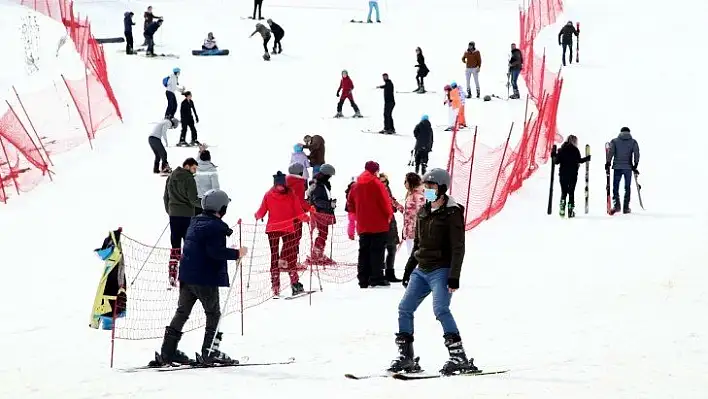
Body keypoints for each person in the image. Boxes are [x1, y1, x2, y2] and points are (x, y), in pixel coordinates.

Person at [389, 168, 477, 376]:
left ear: (443, 188)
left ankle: (459, 357)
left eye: (432, 187)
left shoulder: (452, 213)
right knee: (404, 308)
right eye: (425, 186)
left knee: (440, 309)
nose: (427, 190)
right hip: (422, 269)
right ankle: (406, 357)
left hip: (441, 269)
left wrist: (454, 275)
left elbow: (458, 247)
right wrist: (410, 267)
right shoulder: (423, 212)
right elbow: (418, 243)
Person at [153, 189, 246, 366]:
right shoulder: (216, 227)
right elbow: (214, 252)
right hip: (205, 278)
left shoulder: (195, 221)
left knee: (182, 312)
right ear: (221, 207)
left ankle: (168, 351)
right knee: (213, 314)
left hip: (187, 276)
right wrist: (236, 253)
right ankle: (210, 351)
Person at [255, 172, 308, 297]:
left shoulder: (268, 194)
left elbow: (261, 211)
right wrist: (306, 218)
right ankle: (294, 282)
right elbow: (299, 211)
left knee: (274, 256)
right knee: (290, 256)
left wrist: (258, 216)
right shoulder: (291, 194)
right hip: (288, 228)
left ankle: (275, 285)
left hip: (272, 230)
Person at [347, 161, 392, 288]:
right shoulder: (377, 184)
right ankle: (376, 277)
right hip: (379, 223)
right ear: (376, 171)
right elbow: (385, 202)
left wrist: (357, 215)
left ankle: (363, 278)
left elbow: (350, 203)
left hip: (363, 223)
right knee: (377, 251)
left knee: (364, 251)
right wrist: (388, 215)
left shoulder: (355, 186)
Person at [163, 158, 201, 287]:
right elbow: (193, 200)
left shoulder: (171, 176)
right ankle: (185, 275)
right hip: (186, 215)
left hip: (173, 215)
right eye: (194, 168)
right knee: (188, 245)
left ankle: (172, 273)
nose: (195, 171)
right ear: (187, 166)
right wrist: (207, 204)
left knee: (175, 244)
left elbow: (165, 196)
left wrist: (170, 210)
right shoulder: (189, 179)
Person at [553, 135, 590, 218]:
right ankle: (570, 211)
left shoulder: (561, 150)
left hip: (563, 174)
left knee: (564, 192)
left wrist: (554, 155)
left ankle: (562, 209)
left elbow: (556, 162)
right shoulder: (575, 150)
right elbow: (579, 160)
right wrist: (587, 158)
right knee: (571, 193)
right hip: (573, 175)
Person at [605, 127, 640, 214]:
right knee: (627, 187)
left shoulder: (614, 141)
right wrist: (635, 164)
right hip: (628, 167)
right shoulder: (633, 142)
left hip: (617, 167)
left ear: (621, 132)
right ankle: (626, 207)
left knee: (615, 187)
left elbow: (611, 152)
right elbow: (636, 153)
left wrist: (608, 162)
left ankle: (617, 205)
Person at [308, 164, 337, 264]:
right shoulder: (318, 185)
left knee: (323, 233)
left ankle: (318, 253)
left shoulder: (322, 184)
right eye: (329, 175)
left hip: (323, 212)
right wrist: (329, 204)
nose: (330, 177)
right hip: (320, 213)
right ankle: (316, 254)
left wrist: (330, 203)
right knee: (323, 233)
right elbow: (317, 201)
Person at [379, 173, 402, 283]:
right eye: (381, 181)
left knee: (392, 248)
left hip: (391, 222)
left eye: (385, 182)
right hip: (381, 222)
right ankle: (379, 273)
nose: (383, 184)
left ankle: (390, 272)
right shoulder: (376, 191)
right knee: (381, 249)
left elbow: (392, 204)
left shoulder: (388, 190)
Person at [286, 163, 311, 266]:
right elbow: (299, 201)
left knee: (287, 238)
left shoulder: (284, 182)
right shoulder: (299, 183)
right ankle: (292, 262)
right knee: (295, 238)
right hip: (296, 216)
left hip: (284, 215)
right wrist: (308, 207)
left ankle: (285, 261)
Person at [395, 172, 425, 256]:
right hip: (412, 231)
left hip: (415, 232)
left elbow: (420, 214)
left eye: (406, 181)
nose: (404, 184)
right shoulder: (413, 194)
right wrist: (396, 204)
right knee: (413, 257)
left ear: (411, 182)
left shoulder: (417, 196)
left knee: (414, 258)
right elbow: (408, 213)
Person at [194, 146, 220, 215]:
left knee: (196, 219)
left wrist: (200, 151)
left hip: (197, 199)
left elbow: (197, 160)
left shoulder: (196, 167)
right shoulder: (212, 170)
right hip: (208, 200)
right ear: (209, 158)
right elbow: (215, 186)